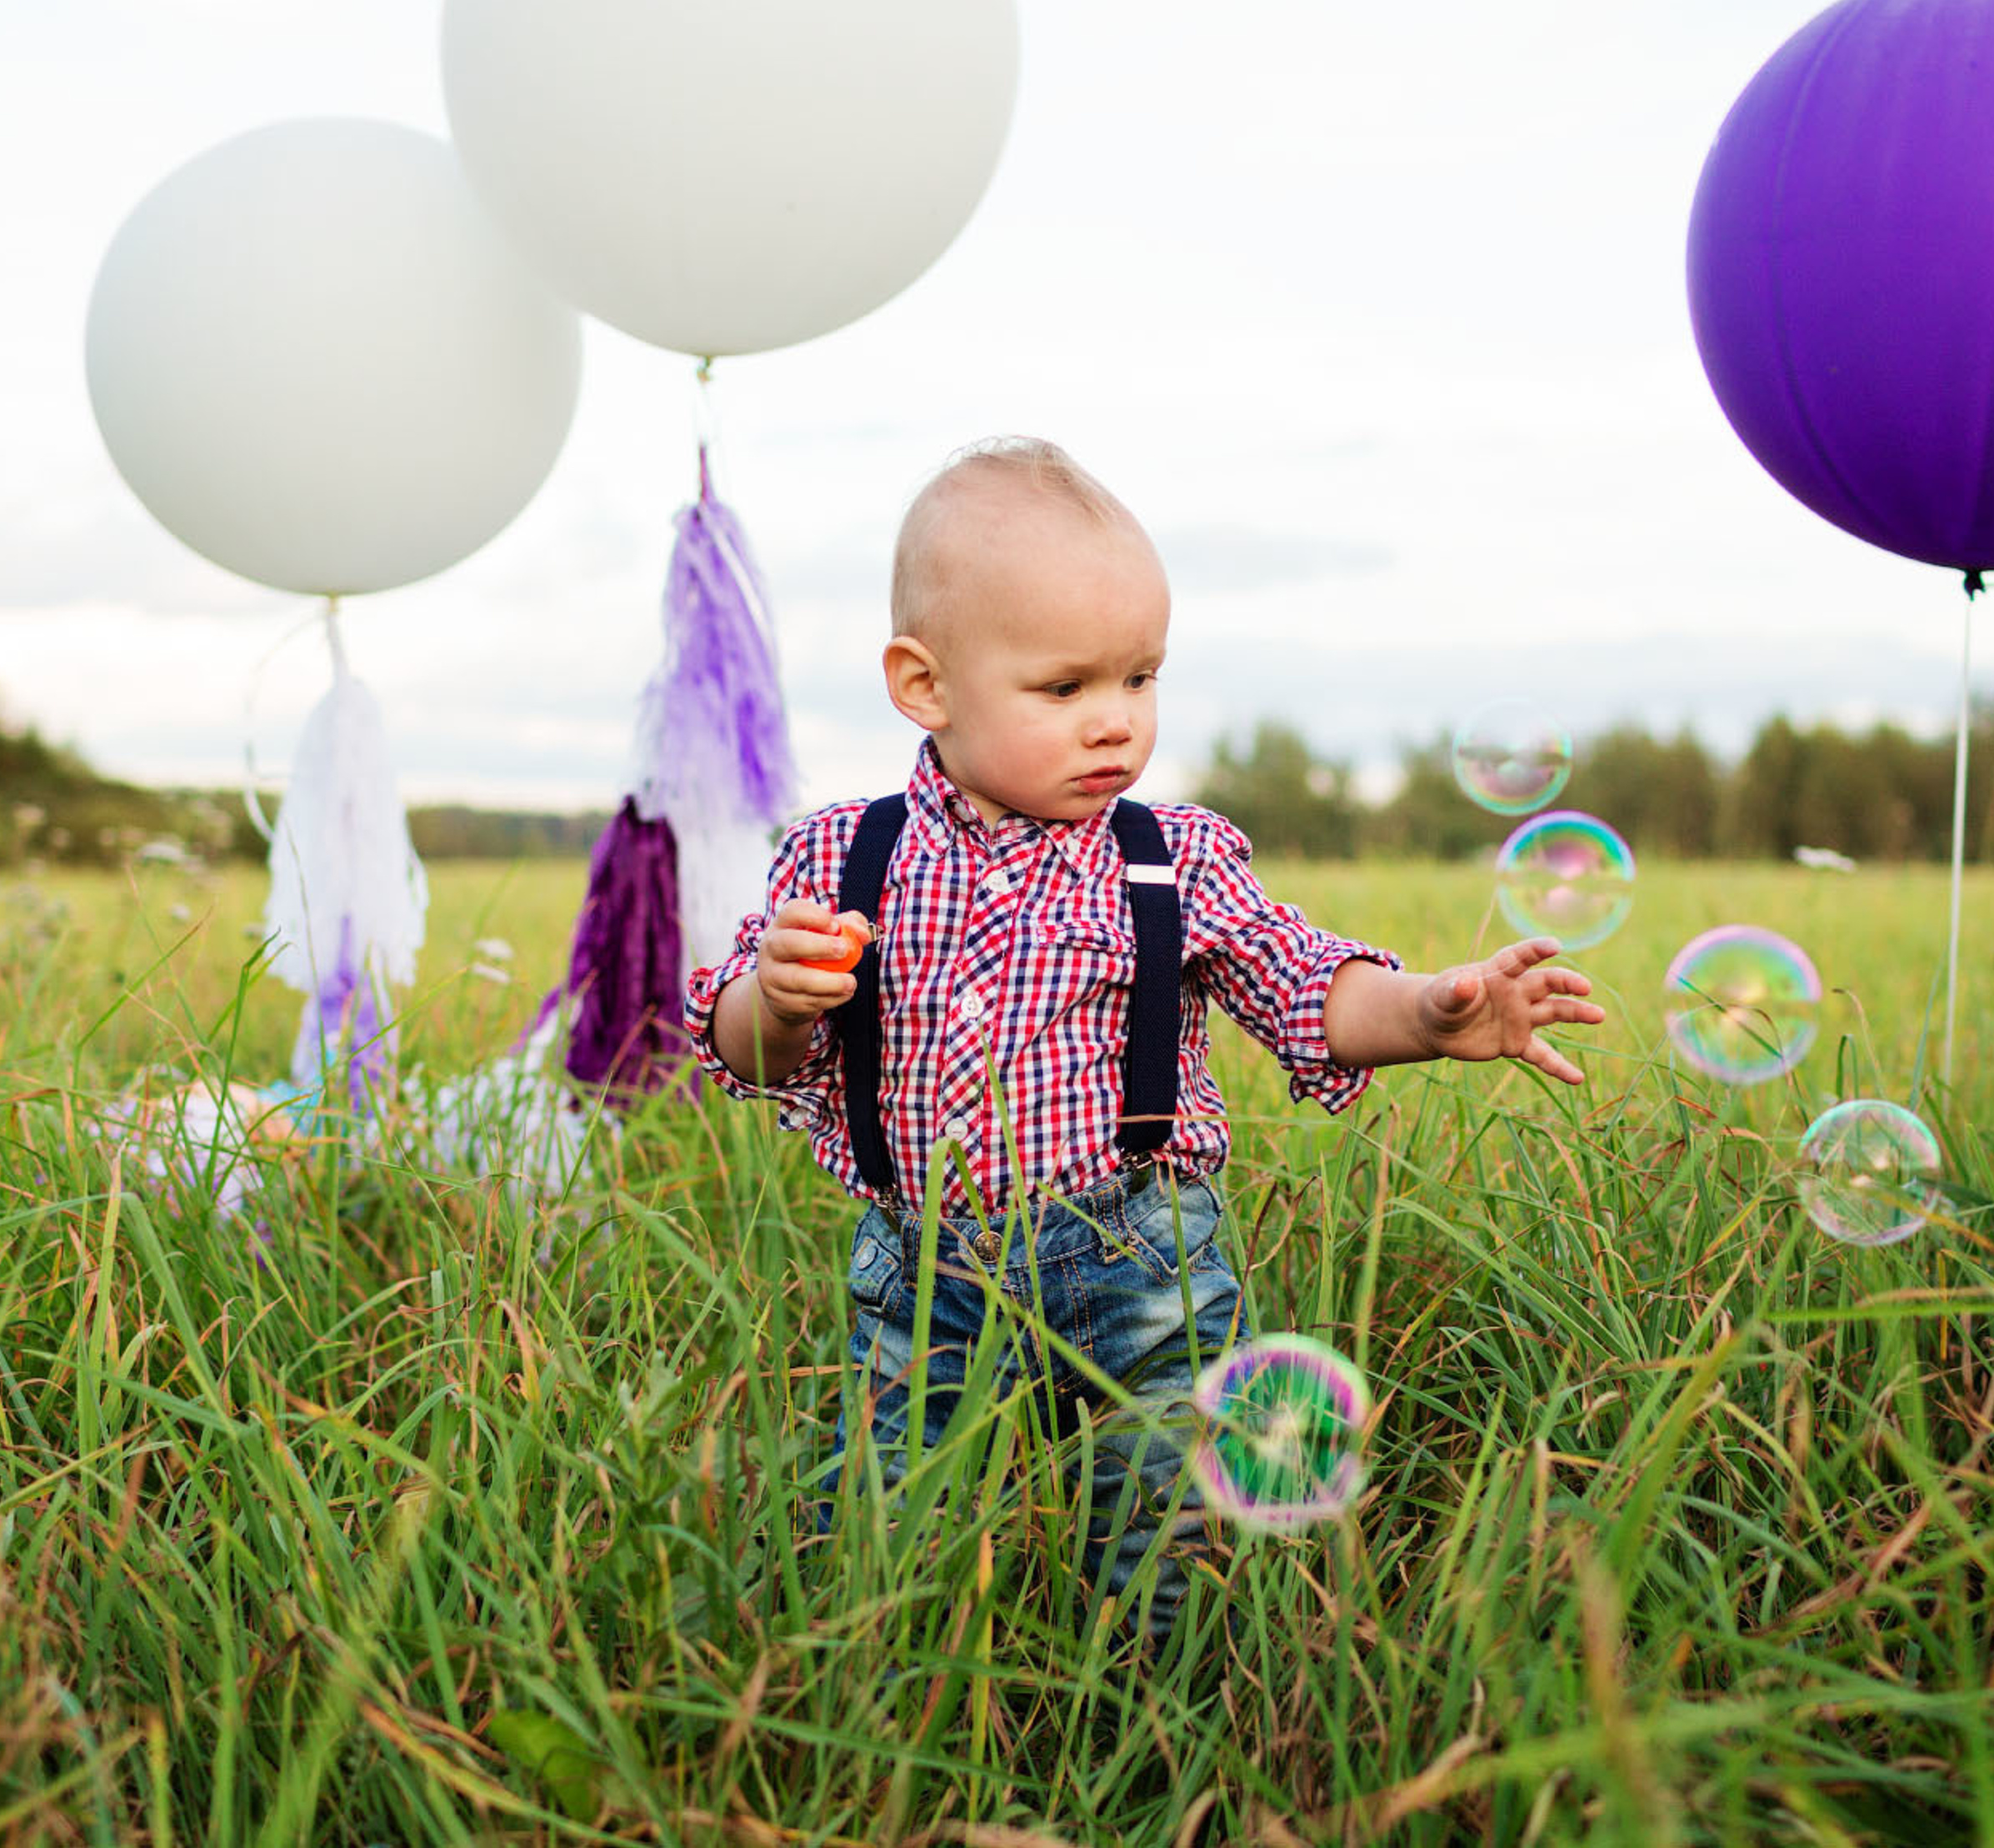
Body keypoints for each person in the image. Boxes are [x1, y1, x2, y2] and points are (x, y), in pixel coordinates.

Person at [683, 437, 1603, 1649]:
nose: (1115, 723)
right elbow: (747, 1054)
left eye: (1141, 678)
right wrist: (779, 998)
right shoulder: (844, 857)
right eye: (1065, 689)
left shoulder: (1172, 857)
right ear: (926, 685)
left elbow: (1301, 985)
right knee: (876, 1510)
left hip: (1140, 1255)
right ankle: (869, 1676)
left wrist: (1429, 1011)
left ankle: (1159, 1701)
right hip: (919, 1269)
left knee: (1164, 1517)